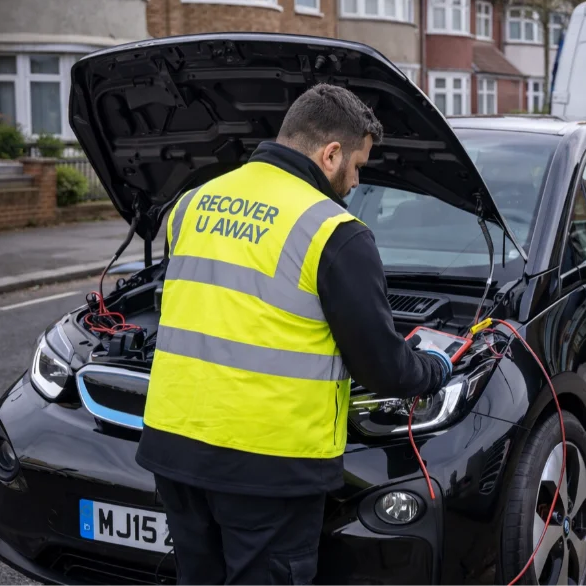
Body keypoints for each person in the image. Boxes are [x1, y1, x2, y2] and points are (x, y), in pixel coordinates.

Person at [135, 83, 454, 586]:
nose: (355, 181)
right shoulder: (334, 230)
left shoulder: (191, 203)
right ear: (331, 154)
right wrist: (436, 368)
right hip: (267, 468)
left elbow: (219, 307)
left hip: (174, 449)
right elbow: (381, 366)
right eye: (358, 165)